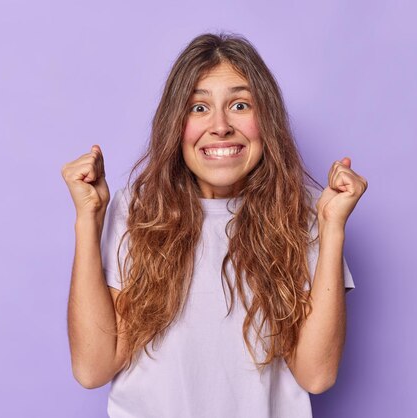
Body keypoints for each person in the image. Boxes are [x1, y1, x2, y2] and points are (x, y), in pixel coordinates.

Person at [61, 32, 368, 418]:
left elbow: (317, 375)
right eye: (199, 108)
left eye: (240, 105)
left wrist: (332, 228)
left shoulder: (306, 212)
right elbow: (93, 368)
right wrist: (88, 221)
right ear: (176, 123)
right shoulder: (137, 211)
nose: (220, 126)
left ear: (266, 120)